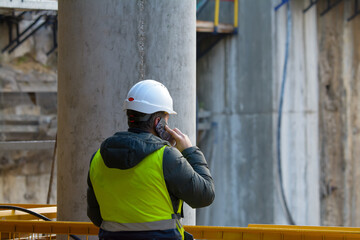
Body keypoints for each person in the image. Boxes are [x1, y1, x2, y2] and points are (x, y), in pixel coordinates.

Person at [87, 80, 215, 240]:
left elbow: (95, 215)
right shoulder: (166, 157)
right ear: (158, 122)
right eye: (166, 119)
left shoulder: (97, 158)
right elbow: (205, 195)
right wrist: (190, 150)